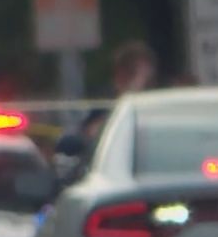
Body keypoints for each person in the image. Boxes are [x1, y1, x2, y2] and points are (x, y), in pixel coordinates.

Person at [54, 40, 158, 183]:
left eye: (136, 75)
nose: (130, 81)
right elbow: (76, 141)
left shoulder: (160, 110)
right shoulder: (104, 106)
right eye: (130, 73)